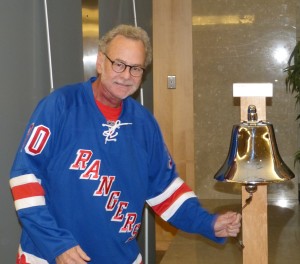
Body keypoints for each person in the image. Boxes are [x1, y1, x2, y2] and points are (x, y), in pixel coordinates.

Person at [9, 24, 241, 264]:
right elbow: (24, 179)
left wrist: (209, 223)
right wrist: (55, 243)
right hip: (51, 256)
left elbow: (166, 191)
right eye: (119, 64)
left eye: (136, 68)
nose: (126, 75)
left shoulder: (144, 124)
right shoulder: (59, 106)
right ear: (100, 62)